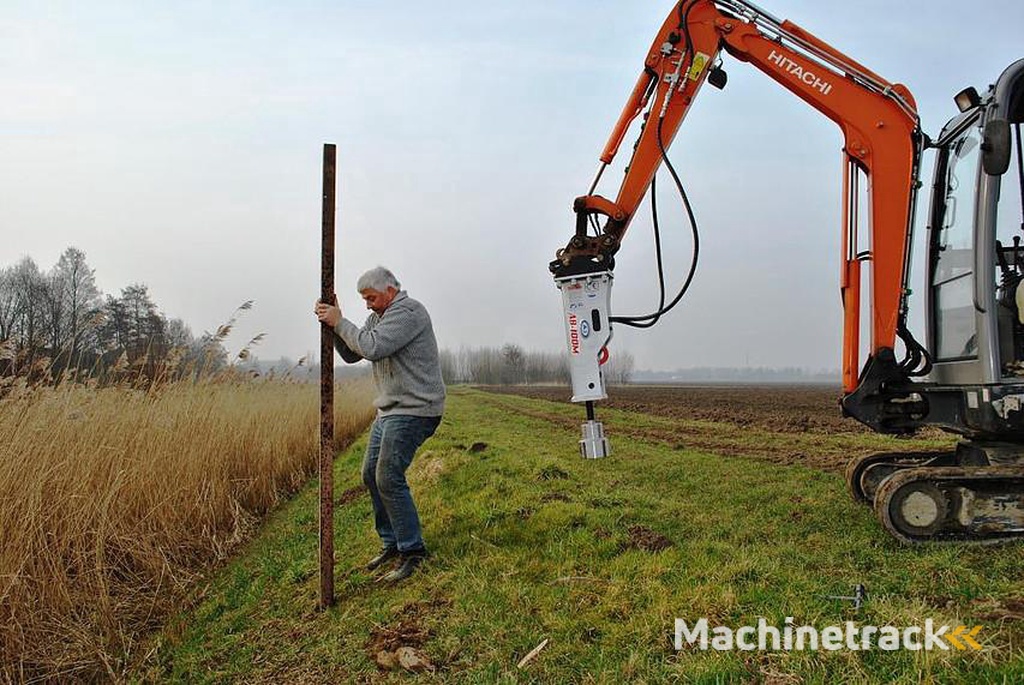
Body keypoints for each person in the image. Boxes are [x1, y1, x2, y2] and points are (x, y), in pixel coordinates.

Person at [315, 266, 445, 583]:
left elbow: (372, 347)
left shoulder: (409, 312)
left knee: (387, 475)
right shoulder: (378, 317)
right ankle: (392, 543)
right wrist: (333, 324)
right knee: (369, 475)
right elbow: (354, 353)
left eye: (371, 298)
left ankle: (413, 552)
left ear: (389, 290)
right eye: (365, 300)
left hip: (416, 408)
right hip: (390, 409)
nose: (368, 305)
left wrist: (340, 322)